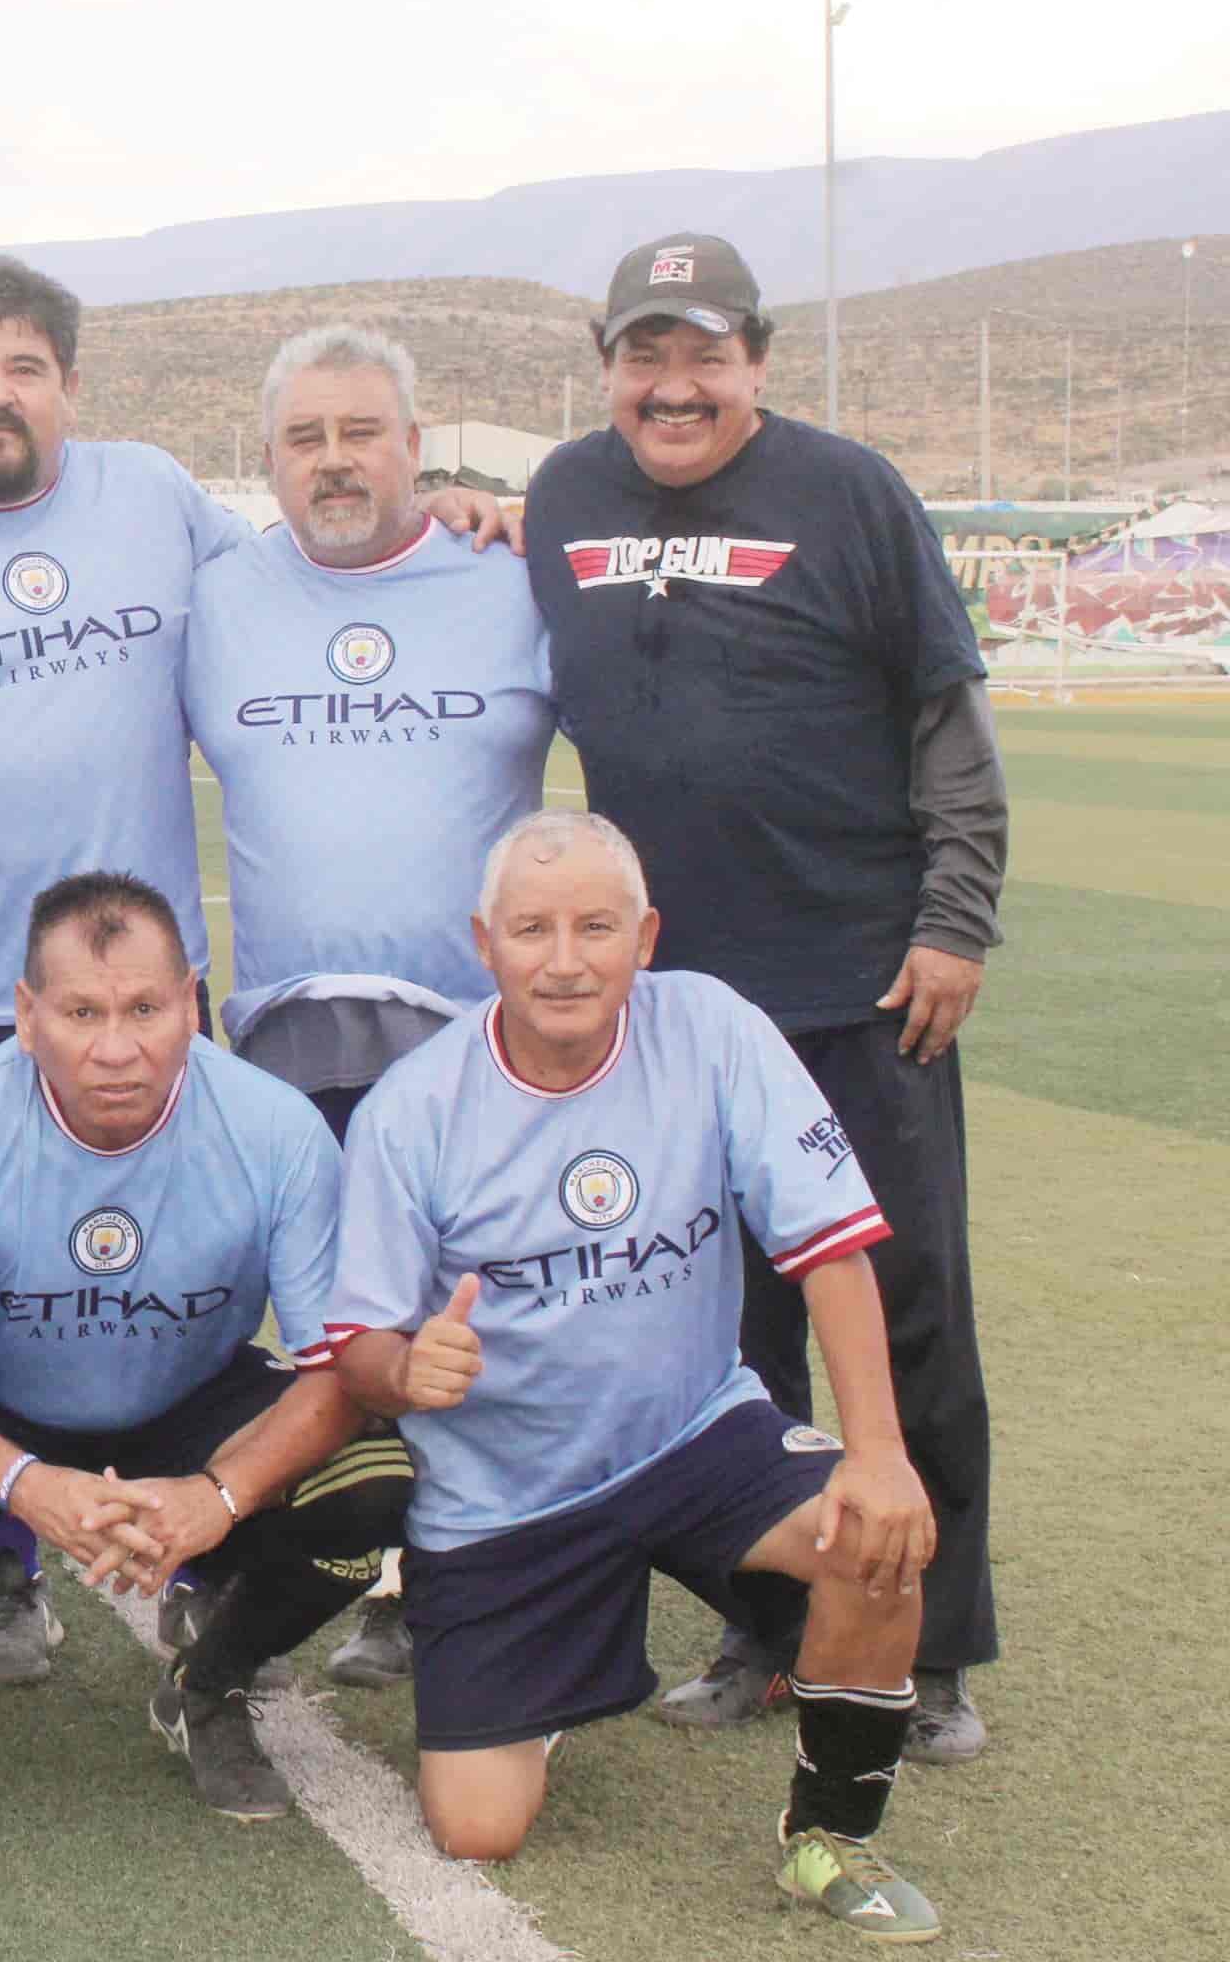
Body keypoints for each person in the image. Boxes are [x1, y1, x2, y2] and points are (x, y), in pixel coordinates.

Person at [0, 256, 504, 1678]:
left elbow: (310, 562)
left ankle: (218, 1520)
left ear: (70, 389)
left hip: (145, 999)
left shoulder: (155, 497)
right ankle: (1, 1562)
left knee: (167, 1269)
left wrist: (448, 519)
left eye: (26, 366)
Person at [519, 234, 1004, 1763]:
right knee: (724, 1333)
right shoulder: (560, 498)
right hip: (660, 1003)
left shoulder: (850, 493)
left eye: (704, 355)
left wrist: (956, 919)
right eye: (645, 355)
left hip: (859, 985)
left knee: (907, 1314)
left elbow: (948, 719)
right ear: (608, 363)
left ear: (757, 362)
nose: (674, 386)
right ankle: (770, 1622)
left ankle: (930, 1646)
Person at [330, 810, 945, 1942]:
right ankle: (545, 1688)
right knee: (479, 1828)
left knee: (874, 1536)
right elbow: (358, 1347)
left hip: (694, 1438)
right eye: (533, 930)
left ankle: (829, 1837)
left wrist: (879, 1452)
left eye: (596, 927)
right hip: (503, 1494)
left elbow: (831, 1249)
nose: (564, 960)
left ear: (646, 936)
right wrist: (411, 1365)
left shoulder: (712, 1028)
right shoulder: (413, 1109)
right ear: (484, 944)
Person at [0, 872, 407, 1823]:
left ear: (191, 1005)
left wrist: (218, 1497)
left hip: (189, 1395)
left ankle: (211, 1684)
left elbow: (341, 1371)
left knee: (369, 1474)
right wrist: (28, 1485)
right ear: (27, 1015)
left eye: (145, 1008)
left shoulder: (275, 1127)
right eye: (82, 1011)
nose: (116, 1048)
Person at [181, 324, 554, 1686]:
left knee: (466, 1311)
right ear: (268, 458)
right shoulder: (218, 593)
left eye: (361, 433)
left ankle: (449, 1576)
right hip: (283, 1024)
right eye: (305, 438)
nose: (335, 462)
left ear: (415, 442)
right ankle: (271, 1560)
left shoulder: (510, 577)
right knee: (318, 1321)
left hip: (472, 1030)